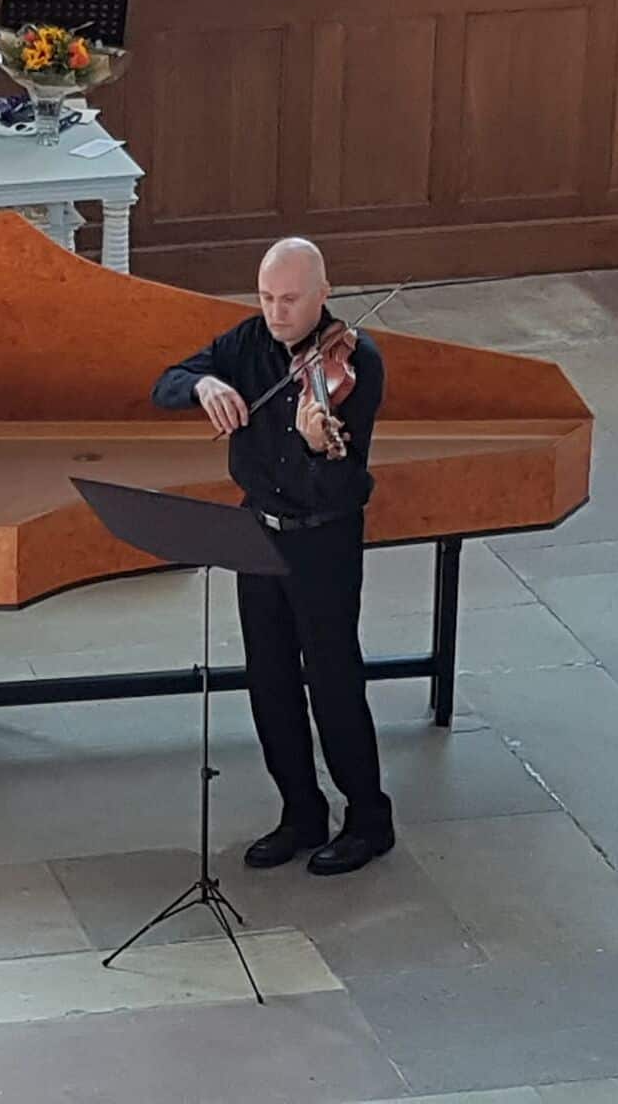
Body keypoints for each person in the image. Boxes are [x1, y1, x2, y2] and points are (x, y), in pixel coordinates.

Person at [151, 238, 393, 877]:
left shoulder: (356, 364)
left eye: (290, 300)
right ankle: (301, 812)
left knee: (334, 682)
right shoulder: (247, 343)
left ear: (323, 294)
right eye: (266, 298)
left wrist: (317, 447)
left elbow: (344, 484)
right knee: (270, 680)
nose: (277, 313)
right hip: (257, 532)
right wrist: (203, 383)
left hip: (323, 539)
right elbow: (165, 384)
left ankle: (369, 820)